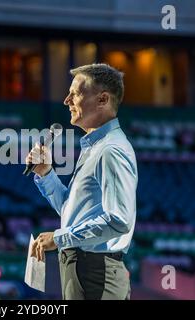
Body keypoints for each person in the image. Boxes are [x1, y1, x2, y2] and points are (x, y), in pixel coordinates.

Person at [26, 63, 138, 300]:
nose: (67, 100)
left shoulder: (110, 150)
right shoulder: (95, 147)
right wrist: (46, 173)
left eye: (75, 93)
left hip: (95, 271)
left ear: (102, 99)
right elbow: (74, 212)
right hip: (87, 269)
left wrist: (59, 238)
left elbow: (119, 220)